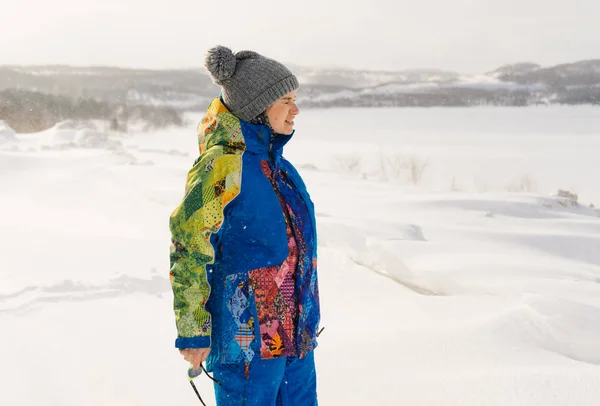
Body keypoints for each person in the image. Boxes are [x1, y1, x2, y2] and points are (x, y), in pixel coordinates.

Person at [168, 45, 322, 406]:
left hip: (296, 338)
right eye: (286, 99)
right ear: (258, 106)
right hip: (247, 342)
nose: (295, 109)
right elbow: (189, 245)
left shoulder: (281, 170)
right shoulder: (222, 166)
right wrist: (194, 330)